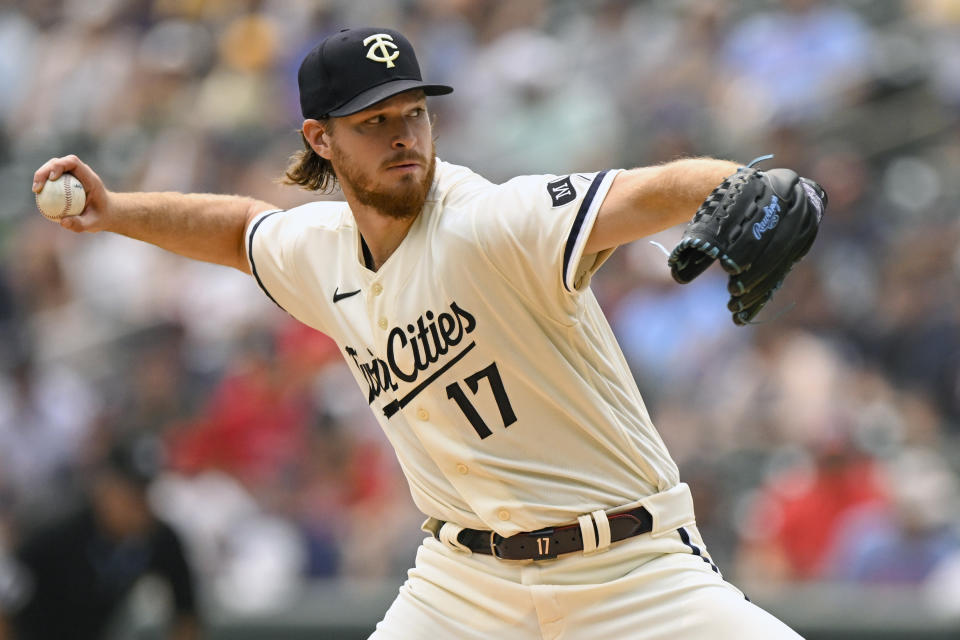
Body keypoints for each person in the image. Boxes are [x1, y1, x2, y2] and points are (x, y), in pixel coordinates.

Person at [32, 26, 809, 639]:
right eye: (375, 121)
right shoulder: (321, 252)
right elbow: (241, 232)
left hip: (630, 571)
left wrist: (734, 184)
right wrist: (115, 212)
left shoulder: (487, 221)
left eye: (414, 113)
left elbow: (638, 194)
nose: (404, 136)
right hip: (465, 587)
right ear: (320, 139)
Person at [0, 437, 201, 640]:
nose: (140, 507)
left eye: (147, 493)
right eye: (132, 494)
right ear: (106, 487)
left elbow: (186, 611)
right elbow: (5, 600)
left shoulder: (158, 538)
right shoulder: (58, 530)